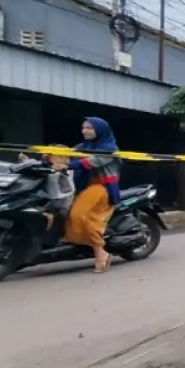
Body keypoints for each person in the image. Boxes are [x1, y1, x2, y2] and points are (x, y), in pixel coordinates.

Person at [60, 117, 121, 273]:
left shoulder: (109, 148)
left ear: (99, 130)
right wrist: (40, 159)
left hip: (102, 187)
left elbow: (90, 162)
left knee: (78, 215)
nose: (85, 131)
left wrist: (67, 165)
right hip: (85, 187)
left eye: (89, 128)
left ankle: (100, 251)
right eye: (84, 128)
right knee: (63, 212)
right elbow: (66, 154)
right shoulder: (84, 146)